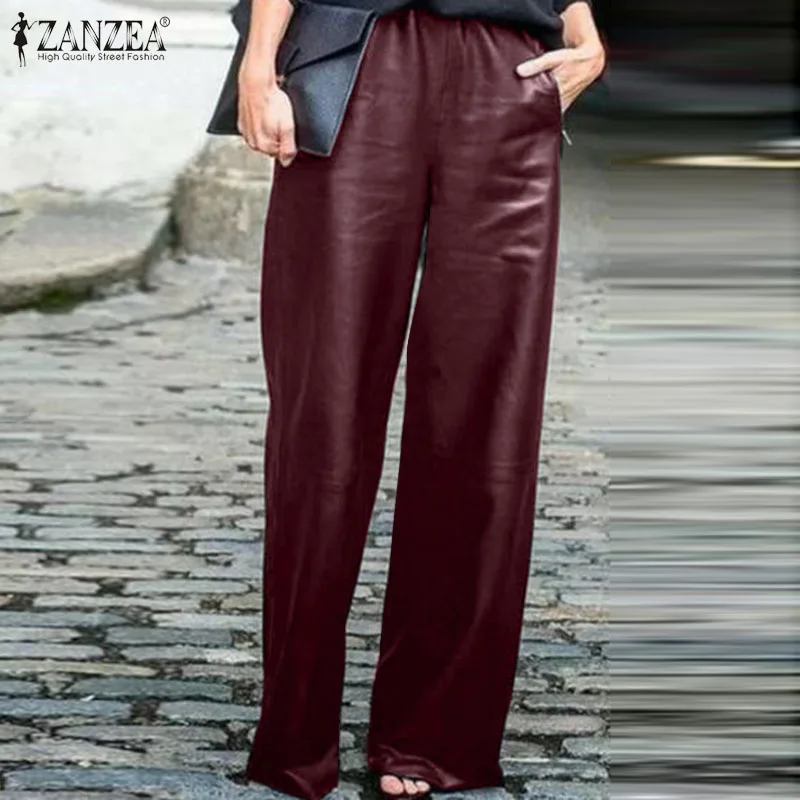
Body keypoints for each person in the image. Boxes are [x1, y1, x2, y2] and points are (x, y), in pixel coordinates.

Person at [237, 2, 605, 799]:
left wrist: (583, 31)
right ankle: (295, 729)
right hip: (359, 59)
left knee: (484, 415)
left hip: (507, 70)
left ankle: (435, 736)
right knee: (323, 413)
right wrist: (259, 64)